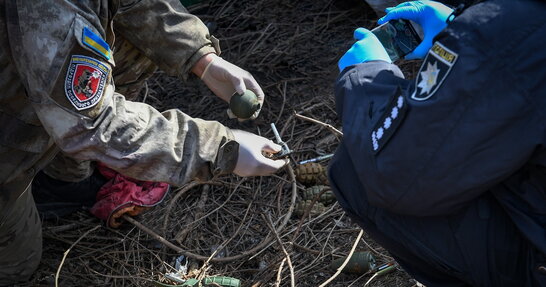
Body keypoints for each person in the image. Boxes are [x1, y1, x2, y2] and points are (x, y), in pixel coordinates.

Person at [0, 0, 288, 285]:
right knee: (18, 265)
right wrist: (222, 148)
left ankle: (59, 180)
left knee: (137, 45)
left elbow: (138, 4)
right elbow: (95, 123)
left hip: (29, 82)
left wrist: (203, 59)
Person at [330, 0, 546, 286]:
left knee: (355, 168)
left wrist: (364, 76)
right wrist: (461, 28)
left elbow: (396, 173)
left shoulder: (517, 27)